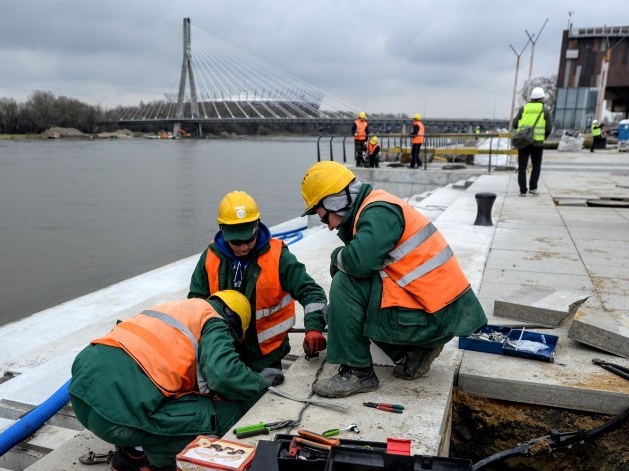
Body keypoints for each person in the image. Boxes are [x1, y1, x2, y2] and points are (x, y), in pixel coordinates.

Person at [298, 161, 487, 398]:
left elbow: (358, 262)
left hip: (435, 315)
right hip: (437, 311)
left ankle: (358, 371)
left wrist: (336, 257)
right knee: (361, 290)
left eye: (325, 218)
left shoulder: (378, 212)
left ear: (337, 201)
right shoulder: (376, 206)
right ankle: (414, 351)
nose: (329, 227)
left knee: (345, 284)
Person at [69, 291, 279, 471]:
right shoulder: (213, 320)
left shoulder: (175, 308)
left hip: (82, 395)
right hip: (117, 419)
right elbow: (224, 376)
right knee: (224, 415)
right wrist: (260, 382)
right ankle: (152, 462)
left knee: (170, 397)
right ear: (234, 323)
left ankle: (133, 448)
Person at [189, 190, 328, 376]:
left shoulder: (279, 257)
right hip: (223, 351)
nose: (244, 247)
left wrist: (314, 327)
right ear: (222, 230)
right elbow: (195, 303)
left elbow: (311, 291)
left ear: (257, 226)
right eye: (236, 242)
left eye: (249, 239)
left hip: (267, 356)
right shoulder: (210, 257)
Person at [512, 87, 553, 196]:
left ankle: (522, 191)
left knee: (522, 166)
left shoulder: (523, 108)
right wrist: (543, 137)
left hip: (523, 141)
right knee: (536, 165)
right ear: (542, 98)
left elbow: (514, 124)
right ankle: (533, 188)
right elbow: (549, 128)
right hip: (537, 143)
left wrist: (522, 131)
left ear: (531, 98)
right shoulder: (545, 111)